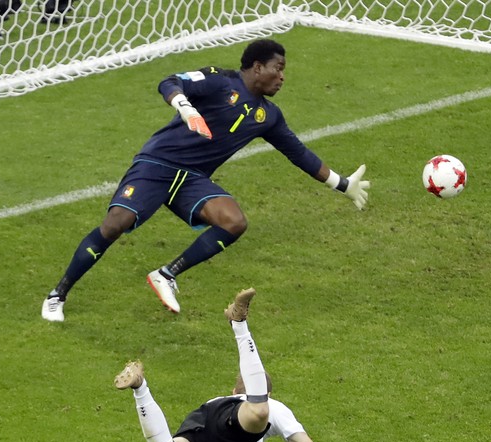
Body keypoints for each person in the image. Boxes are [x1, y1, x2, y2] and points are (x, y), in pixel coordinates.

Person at [41, 38, 370, 322]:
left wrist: (341, 183)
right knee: (116, 223)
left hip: (192, 179)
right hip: (158, 163)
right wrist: (185, 108)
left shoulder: (268, 115)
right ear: (257, 67)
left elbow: (299, 154)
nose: (282, 76)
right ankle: (58, 294)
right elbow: (169, 82)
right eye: (278, 67)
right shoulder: (219, 81)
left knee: (234, 222)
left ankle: (166, 274)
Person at [115, 288, 330, 442]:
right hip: (226, 422)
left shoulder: (231, 400)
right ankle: (239, 325)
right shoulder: (274, 409)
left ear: (234, 391)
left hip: (205, 421)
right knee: (260, 413)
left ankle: (140, 386)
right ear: (266, 395)